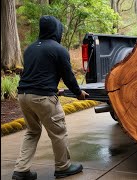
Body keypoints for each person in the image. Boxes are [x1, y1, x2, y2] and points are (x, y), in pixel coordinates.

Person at [12, 15, 89, 180]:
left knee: (32, 131)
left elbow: (36, 74)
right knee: (58, 132)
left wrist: (52, 88)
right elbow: (68, 77)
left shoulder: (30, 49)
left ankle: (21, 170)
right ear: (56, 30)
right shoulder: (58, 49)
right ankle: (63, 167)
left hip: (23, 95)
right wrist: (78, 93)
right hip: (43, 97)